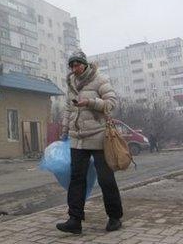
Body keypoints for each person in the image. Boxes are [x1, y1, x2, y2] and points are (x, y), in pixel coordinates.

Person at [57, 50, 122, 235]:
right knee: (76, 180)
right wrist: (64, 133)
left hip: (99, 137)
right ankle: (74, 220)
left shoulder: (99, 79)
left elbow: (111, 103)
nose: (74, 68)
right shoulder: (71, 83)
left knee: (105, 179)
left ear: (84, 64)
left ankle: (115, 217)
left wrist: (91, 102)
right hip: (77, 140)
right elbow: (68, 110)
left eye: (77, 64)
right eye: (72, 65)